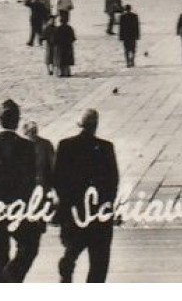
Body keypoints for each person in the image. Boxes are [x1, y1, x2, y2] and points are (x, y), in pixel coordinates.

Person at [0, 100, 44, 282]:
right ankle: (13, 275)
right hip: (19, 206)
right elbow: (30, 181)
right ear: (17, 121)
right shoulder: (27, 146)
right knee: (29, 246)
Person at [54, 110, 119, 283]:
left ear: (80, 124)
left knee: (73, 248)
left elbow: (58, 179)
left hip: (74, 212)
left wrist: (65, 204)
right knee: (99, 263)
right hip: (98, 214)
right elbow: (113, 180)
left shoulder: (65, 145)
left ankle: (66, 266)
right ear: (95, 126)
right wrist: (108, 205)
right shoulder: (106, 147)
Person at [50, 13, 77, 78]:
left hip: (60, 47)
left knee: (60, 60)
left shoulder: (58, 29)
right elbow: (73, 38)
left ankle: (61, 73)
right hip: (68, 46)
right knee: (67, 61)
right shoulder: (70, 28)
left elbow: (54, 39)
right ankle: (67, 72)